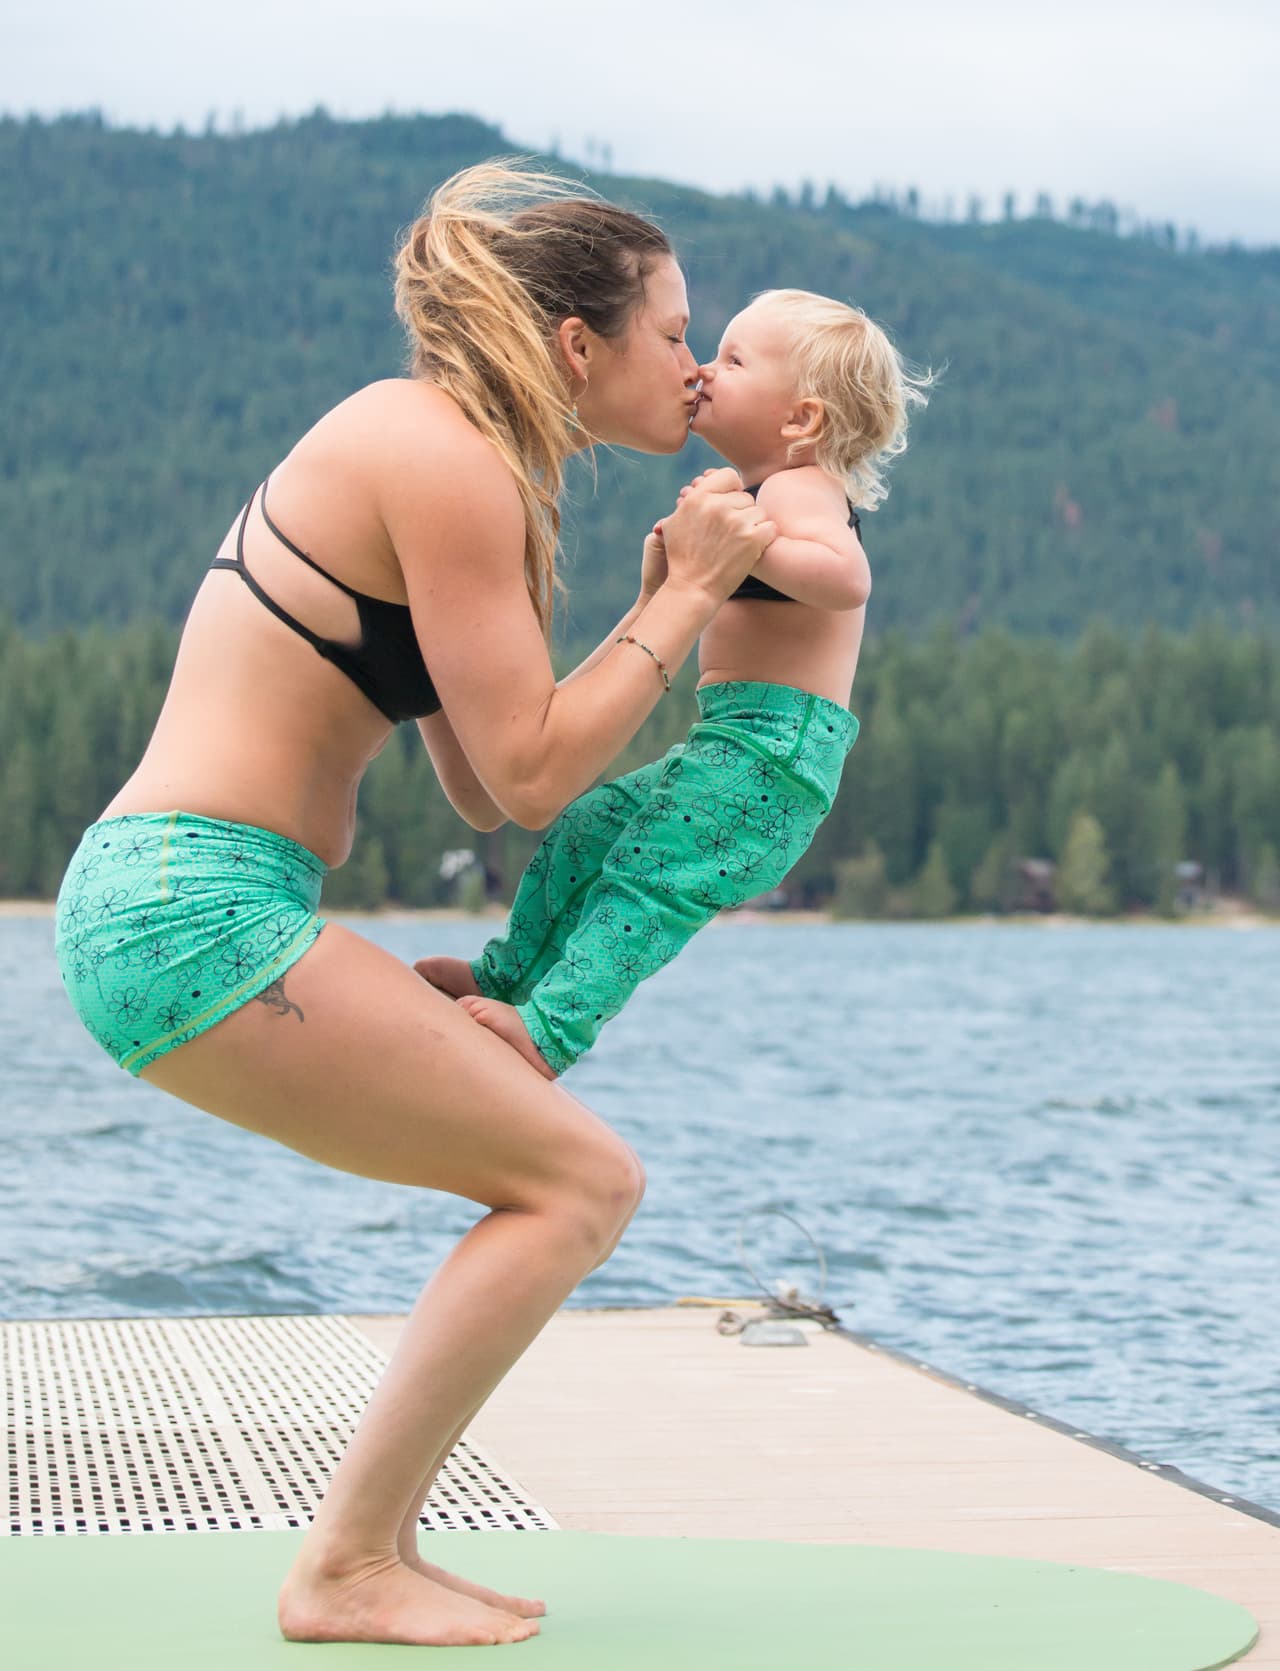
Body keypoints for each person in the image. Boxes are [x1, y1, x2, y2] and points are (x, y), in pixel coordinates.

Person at [52, 163, 776, 1649]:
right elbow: (521, 777)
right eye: (671, 332)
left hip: (192, 902)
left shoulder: (450, 452)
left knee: (552, 1155)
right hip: (193, 909)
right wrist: (687, 599)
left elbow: (472, 776)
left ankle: (373, 1548)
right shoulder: (444, 451)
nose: (696, 368)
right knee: (583, 1183)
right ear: (578, 346)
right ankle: (346, 1563)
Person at [421, 289, 929, 1078]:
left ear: (801, 421)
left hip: (775, 759)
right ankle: (508, 977)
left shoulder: (799, 489)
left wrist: (743, 550)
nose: (701, 370)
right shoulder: (750, 490)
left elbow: (846, 577)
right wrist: (674, 579)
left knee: (643, 882)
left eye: (731, 360)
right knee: (587, 830)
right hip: (727, 745)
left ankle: (551, 1030)